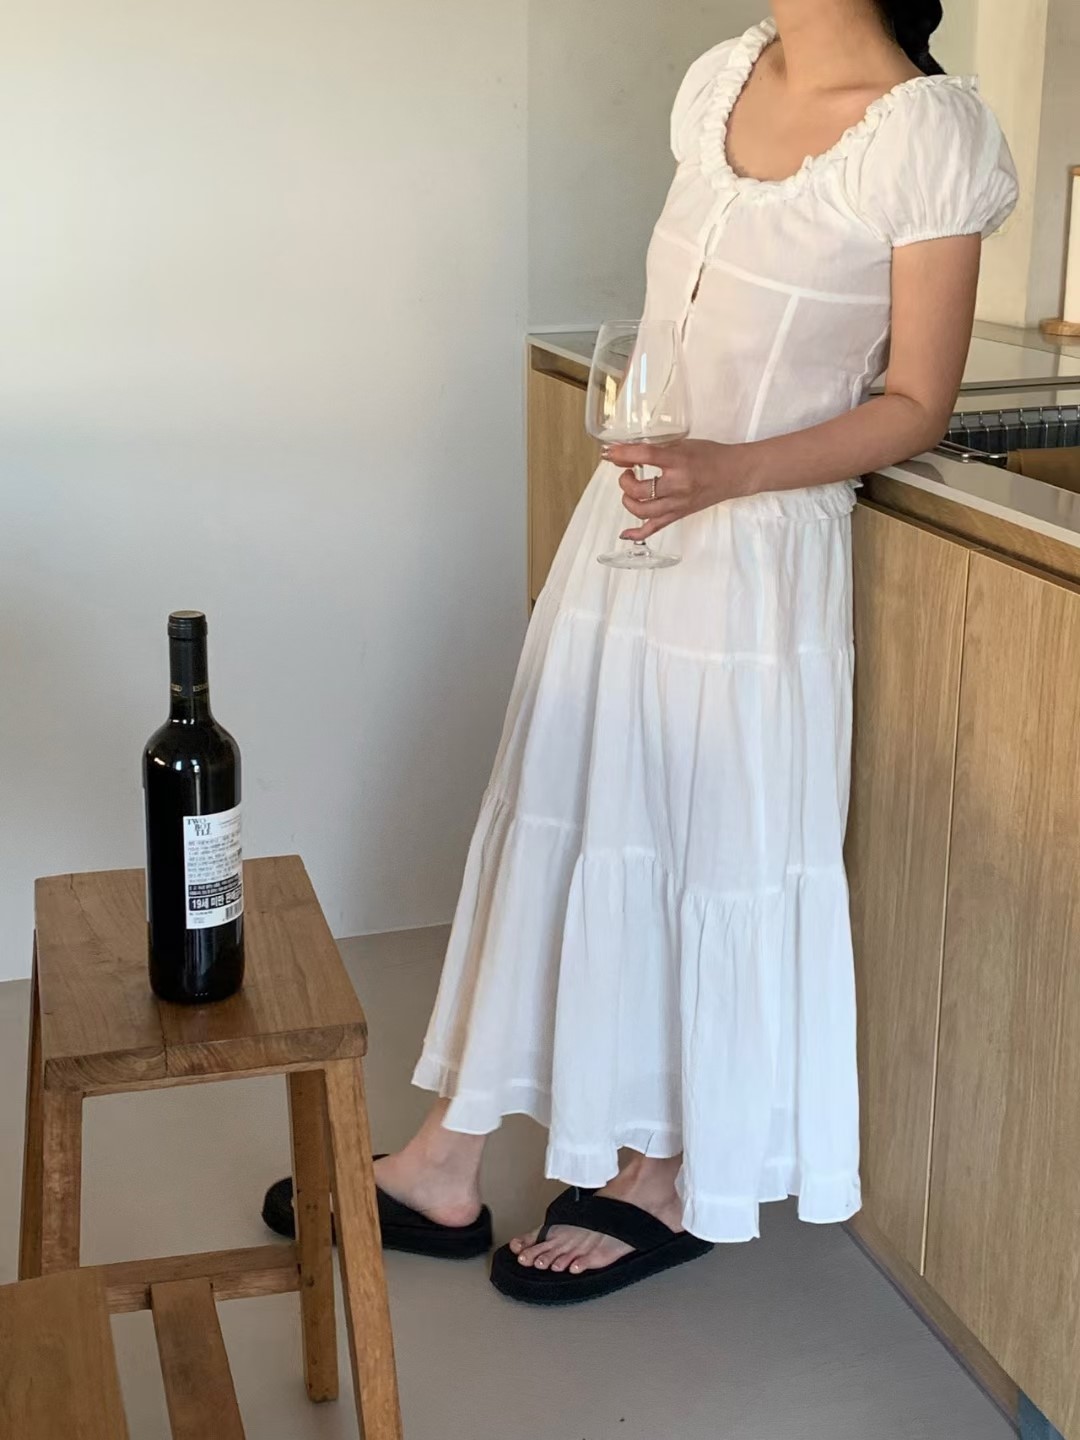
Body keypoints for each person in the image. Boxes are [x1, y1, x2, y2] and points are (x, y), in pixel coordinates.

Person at [264, 0, 1017, 1305]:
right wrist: (674, 458)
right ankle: (446, 1158)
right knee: (562, 815)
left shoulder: (930, 135)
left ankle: (665, 1171)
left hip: (756, 557)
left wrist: (730, 470)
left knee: (700, 849)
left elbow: (916, 403)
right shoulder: (723, 76)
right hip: (626, 527)